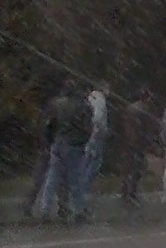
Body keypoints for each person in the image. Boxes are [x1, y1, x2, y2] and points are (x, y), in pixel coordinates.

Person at [38, 79, 93, 223]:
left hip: (58, 142)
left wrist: (49, 142)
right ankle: (78, 210)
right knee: (75, 179)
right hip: (74, 144)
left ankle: (45, 209)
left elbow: (49, 125)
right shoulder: (83, 106)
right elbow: (88, 127)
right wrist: (84, 140)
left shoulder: (56, 104)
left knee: (52, 177)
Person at [20, 87, 71, 219]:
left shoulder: (53, 106)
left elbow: (45, 126)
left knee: (43, 177)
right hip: (55, 145)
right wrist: (47, 145)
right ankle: (62, 206)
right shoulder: (62, 106)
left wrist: (45, 144)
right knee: (57, 176)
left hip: (51, 145)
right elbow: (47, 127)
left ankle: (30, 203)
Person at [121, 87, 161, 207]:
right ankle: (131, 194)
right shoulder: (144, 110)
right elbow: (151, 127)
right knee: (136, 169)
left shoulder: (130, 108)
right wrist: (151, 142)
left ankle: (126, 191)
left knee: (129, 168)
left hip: (128, 142)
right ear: (146, 98)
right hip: (138, 143)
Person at [80, 79, 110, 203]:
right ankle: (84, 189)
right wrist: (102, 130)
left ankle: (78, 189)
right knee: (94, 163)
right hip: (97, 136)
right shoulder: (100, 100)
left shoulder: (90, 97)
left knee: (85, 161)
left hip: (88, 135)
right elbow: (98, 117)